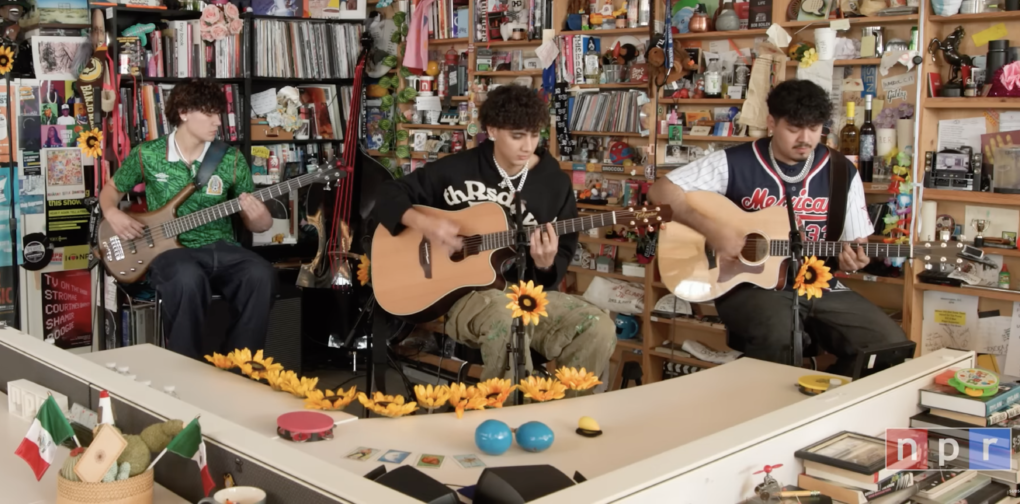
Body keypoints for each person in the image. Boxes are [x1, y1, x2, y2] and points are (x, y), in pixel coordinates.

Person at [648, 79, 908, 375]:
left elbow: (856, 244)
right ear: (771, 122)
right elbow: (661, 192)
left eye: (814, 128)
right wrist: (713, 230)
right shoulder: (733, 162)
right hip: (747, 285)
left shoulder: (841, 171)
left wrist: (856, 260)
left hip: (815, 282)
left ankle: (822, 403)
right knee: (780, 338)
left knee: (888, 345)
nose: (806, 139)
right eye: (794, 128)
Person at [373, 85, 616, 384]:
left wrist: (544, 264)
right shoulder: (458, 168)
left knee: (598, 325)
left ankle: (562, 411)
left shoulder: (555, 184)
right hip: (461, 297)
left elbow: (554, 267)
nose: (527, 146)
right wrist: (426, 225)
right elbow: (384, 195)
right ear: (492, 130)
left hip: (524, 295)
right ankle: (504, 418)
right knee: (505, 319)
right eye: (517, 136)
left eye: (534, 134)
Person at [99, 79, 277, 360]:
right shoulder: (148, 154)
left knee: (262, 274)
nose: (218, 122)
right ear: (183, 113)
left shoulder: (230, 159)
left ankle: (240, 366)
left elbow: (258, 224)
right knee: (187, 278)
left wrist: (261, 218)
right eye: (209, 114)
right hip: (167, 252)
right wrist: (113, 213)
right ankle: (186, 366)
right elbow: (110, 191)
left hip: (221, 248)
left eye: (219, 113)